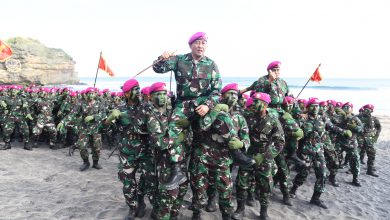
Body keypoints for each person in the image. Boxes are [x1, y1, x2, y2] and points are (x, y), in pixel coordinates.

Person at [153, 31, 222, 189]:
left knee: (222, 118)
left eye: (203, 43)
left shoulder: (211, 65)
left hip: (203, 104)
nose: (200, 46)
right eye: (197, 43)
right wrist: (161, 58)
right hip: (183, 104)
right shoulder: (179, 60)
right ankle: (177, 169)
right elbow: (159, 69)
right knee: (172, 128)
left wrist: (208, 105)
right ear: (191, 45)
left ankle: (238, 153)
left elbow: (217, 91)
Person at [289, 98, 347, 209]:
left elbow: (332, 127)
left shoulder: (323, 118)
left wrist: (344, 132)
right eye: (312, 105)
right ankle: (294, 189)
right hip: (305, 151)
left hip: (319, 151)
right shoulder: (302, 119)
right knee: (303, 173)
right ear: (307, 107)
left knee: (323, 174)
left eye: (317, 106)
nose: (315, 108)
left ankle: (315, 198)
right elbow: (293, 129)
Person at [104, 79, 148, 220]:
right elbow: (103, 128)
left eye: (138, 88)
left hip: (146, 151)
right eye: (135, 89)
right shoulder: (119, 108)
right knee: (128, 181)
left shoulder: (147, 107)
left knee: (146, 178)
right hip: (126, 152)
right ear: (127, 94)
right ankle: (131, 207)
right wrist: (109, 118)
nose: (138, 92)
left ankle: (140, 200)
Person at [248, 92, 285, 220]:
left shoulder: (273, 121)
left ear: (264, 105)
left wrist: (264, 156)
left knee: (266, 185)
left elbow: (279, 143)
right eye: (252, 101)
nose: (252, 103)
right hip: (248, 154)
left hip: (264, 156)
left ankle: (263, 212)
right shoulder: (248, 116)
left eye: (255, 101)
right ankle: (240, 208)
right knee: (242, 182)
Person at [357, 104, 381, 177]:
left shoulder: (374, 119)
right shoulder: (358, 117)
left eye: (369, 109)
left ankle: (369, 170)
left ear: (372, 110)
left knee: (371, 154)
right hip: (359, 139)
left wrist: (375, 137)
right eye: (366, 109)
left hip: (369, 140)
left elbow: (379, 127)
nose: (367, 110)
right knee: (356, 155)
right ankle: (352, 169)